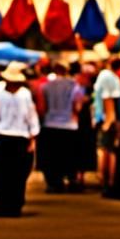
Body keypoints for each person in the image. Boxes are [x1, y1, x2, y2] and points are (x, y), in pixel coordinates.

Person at [0, 63, 39, 218]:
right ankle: (5, 205)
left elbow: (31, 117)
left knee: (14, 175)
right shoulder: (0, 93)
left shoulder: (23, 94)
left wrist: (32, 137)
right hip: (5, 137)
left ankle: (11, 206)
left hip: (16, 137)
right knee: (3, 175)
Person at [38, 61, 84, 193]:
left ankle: (53, 182)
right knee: (70, 155)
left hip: (50, 124)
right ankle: (71, 179)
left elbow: (42, 108)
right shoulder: (75, 86)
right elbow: (78, 107)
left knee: (52, 156)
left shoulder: (45, 86)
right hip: (69, 125)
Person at [93, 54, 120, 193]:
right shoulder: (114, 78)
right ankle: (108, 182)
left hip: (107, 119)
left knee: (104, 150)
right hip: (111, 118)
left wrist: (108, 121)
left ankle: (105, 181)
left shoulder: (105, 76)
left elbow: (108, 99)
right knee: (110, 150)